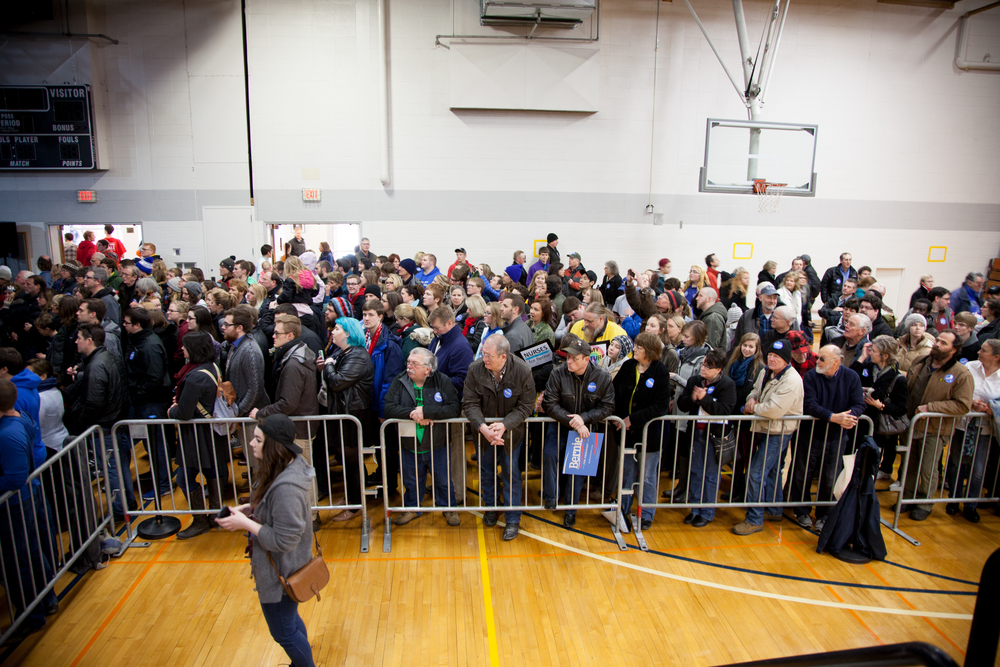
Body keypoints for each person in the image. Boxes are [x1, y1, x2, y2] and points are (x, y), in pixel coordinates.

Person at [216, 414, 316, 667]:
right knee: (290, 623)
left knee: (284, 632)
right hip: (286, 567)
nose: (250, 444)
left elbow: (283, 540)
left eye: (257, 440)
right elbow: (274, 508)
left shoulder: (287, 487)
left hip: (282, 570)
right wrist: (251, 509)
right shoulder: (287, 466)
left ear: (272, 446)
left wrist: (245, 523)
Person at [0, 378, 60, 642]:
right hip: (25, 498)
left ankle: (31, 616)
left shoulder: (7, 433)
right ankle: (47, 599)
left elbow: (14, 478)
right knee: (32, 553)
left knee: (18, 562)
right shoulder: (19, 418)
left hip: (14, 504)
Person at [462, 335, 535, 540]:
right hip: (484, 433)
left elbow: (526, 406)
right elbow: (469, 403)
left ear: (503, 357)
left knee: (511, 473)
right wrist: (483, 428)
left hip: (512, 433)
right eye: (484, 354)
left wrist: (504, 425)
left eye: (489, 356)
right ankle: (491, 508)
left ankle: (513, 519)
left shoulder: (522, 370)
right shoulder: (475, 369)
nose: (484, 359)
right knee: (486, 471)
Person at [253, 314, 320, 524]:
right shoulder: (298, 352)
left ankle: (311, 517)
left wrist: (261, 413)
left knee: (305, 474)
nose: (273, 336)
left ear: (290, 335)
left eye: (277, 333)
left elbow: (288, 403)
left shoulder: (294, 363)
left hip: (299, 426)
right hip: (300, 423)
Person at [383, 347, 462, 527]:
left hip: (438, 443)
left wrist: (427, 412)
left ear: (428, 369)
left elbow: (454, 408)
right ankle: (412, 508)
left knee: (443, 478)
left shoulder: (442, 381)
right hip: (409, 443)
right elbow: (388, 407)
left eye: (414, 363)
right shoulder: (400, 380)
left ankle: (449, 508)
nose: (409, 366)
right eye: (408, 362)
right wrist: (414, 414)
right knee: (411, 479)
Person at [733, 339, 804, 536]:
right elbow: (754, 391)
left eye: (777, 357)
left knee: (756, 472)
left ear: (787, 360)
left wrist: (753, 408)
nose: (772, 359)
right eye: (771, 355)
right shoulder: (766, 371)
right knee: (772, 471)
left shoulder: (791, 380)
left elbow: (773, 410)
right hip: (765, 428)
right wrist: (751, 400)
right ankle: (773, 510)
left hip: (778, 431)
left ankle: (754, 518)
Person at [542, 336, 615, 527]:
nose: (569, 361)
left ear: (586, 359)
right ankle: (551, 498)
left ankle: (571, 510)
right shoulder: (558, 374)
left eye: (574, 358)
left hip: (586, 428)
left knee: (578, 468)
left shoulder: (602, 377)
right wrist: (575, 421)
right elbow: (550, 403)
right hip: (560, 425)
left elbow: (608, 406)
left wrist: (584, 419)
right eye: (567, 357)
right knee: (550, 455)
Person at [901, 329, 974, 521]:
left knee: (928, 468)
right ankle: (906, 497)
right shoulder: (921, 361)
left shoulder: (961, 373)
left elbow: (963, 404)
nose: (937, 344)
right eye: (937, 341)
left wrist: (931, 407)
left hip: (935, 427)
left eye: (943, 343)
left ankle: (924, 503)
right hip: (911, 422)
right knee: (909, 464)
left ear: (954, 350)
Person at [791, 345, 865, 532]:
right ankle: (801, 510)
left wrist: (848, 417)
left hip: (837, 436)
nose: (818, 362)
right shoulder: (811, 376)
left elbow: (859, 404)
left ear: (836, 361)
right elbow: (809, 405)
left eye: (823, 359)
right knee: (803, 473)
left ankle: (824, 514)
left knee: (830, 476)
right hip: (810, 434)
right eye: (818, 357)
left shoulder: (851, 377)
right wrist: (833, 417)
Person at [611, 333, 670, 530]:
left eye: (639, 347)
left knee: (647, 477)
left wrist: (632, 420)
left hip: (648, 434)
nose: (634, 349)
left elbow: (660, 406)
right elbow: (614, 393)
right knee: (626, 474)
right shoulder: (628, 367)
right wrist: (619, 419)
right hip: (625, 432)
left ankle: (646, 514)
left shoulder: (660, 372)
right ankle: (624, 511)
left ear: (650, 351)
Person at [321, 317, 375, 519]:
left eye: (337, 329)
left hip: (355, 414)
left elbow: (336, 382)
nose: (333, 332)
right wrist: (330, 364)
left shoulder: (358, 356)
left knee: (352, 461)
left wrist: (328, 366)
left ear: (349, 333)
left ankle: (354, 506)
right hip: (345, 413)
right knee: (347, 460)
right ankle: (353, 497)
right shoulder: (343, 353)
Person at [676, 348, 736, 528]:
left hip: (714, 436)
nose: (703, 369)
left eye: (708, 367)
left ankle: (707, 511)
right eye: (703, 365)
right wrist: (693, 398)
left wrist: (705, 399)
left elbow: (725, 410)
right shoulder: (695, 381)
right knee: (695, 471)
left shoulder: (727, 385)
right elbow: (682, 404)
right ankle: (694, 509)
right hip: (695, 432)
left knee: (710, 475)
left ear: (718, 370)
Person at [119, 307, 173, 500]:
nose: (123, 326)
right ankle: (159, 477)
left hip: (150, 403)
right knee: (150, 444)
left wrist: (139, 395)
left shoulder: (149, 345)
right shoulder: (138, 342)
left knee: (156, 444)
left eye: (126, 323)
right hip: (142, 401)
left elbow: (154, 378)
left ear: (136, 325)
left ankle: (164, 484)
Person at [944, 339, 1000, 523]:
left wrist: (990, 407)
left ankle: (970, 504)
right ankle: (954, 498)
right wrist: (970, 402)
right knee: (956, 463)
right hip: (963, 423)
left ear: (996, 357)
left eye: (983, 350)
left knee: (978, 469)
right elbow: (956, 390)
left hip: (984, 429)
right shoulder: (969, 367)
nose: (978, 352)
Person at [427, 305, 474, 507]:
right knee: (440, 452)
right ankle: (444, 487)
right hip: (439, 404)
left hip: (453, 407)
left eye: (436, 327)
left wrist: (432, 381)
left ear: (449, 322)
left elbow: (462, 380)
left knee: (455, 453)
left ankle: (457, 493)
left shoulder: (460, 346)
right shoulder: (439, 339)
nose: (434, 331)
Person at [853, 335, 910, 483]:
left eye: (874, 351)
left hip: (880, 426)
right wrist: (862, 356)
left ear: (885, 356)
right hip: (864, 422)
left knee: (872, 461)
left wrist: (881, 406)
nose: (871, 352)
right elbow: (852, 377)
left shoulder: (898, 379)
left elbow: (901, 408)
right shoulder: (869, 367)